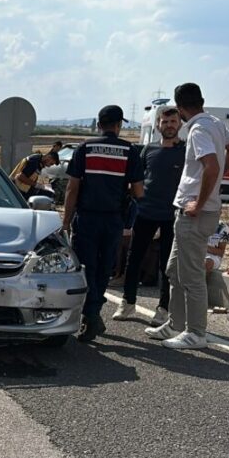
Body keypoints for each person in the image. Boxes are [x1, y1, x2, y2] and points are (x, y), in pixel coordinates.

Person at [146, 83, 229, 350]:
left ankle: (197, 332)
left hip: (195, 214)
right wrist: (217, 178)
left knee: (191, 276)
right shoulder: (214, 122)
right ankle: (176, 324)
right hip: (191, 212)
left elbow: (211, 165)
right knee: (174, 271)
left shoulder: (199, 129)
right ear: (201, 100)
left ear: (179, 107)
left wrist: (199, 202)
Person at [62, 105, 144, 343]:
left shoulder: (85, 148)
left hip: (87, 218)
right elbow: (139, 191)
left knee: (86, 268)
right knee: (104, 268)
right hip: (113, 220)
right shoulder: (130, 151)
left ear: (99, 124)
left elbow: (72, 188)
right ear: (119, 126)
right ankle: (93, 313)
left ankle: (91, 314)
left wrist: (66, 222)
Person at [113, 106, 184, 324]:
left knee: (166, 266)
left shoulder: (186, 150)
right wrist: (136, 199)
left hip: (172, 215)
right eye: (165, 122)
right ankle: (127, 303)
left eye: (173, 121)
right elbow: (137, 178)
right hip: (146, 212)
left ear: (179, 124)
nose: (169, 125)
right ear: (158, 125)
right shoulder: (149, 149)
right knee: (134, 259)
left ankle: (163, 309)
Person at [205, 220, 229, 313]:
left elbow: (220, 252)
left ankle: (201, 298)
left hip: (213, 256)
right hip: (196, 252)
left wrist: (204, 247)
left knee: (206, 263)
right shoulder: (197, 221)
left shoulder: (222, 227)